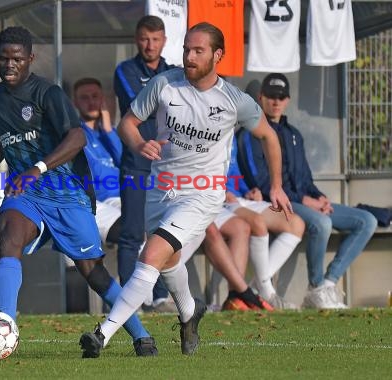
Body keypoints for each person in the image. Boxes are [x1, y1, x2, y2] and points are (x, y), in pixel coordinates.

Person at [0, 26, 158, 357]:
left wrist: (36, 169)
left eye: (16, 59)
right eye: (2, 59)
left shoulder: (48, 94)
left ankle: (141, 334)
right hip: (26, 195)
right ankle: (5, 329)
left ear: (30, 59)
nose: (8, 65)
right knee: (9, 234)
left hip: (68, 193)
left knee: (93, 272)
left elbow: (77, 137)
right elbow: (2, 142)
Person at [80, 22, 292, 358]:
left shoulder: (234, 100)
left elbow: (268, 136)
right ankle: (190, 311)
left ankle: (102, 334)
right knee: (168, 262)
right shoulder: (165, 84)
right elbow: (127, 124)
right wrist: (140, 144)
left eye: (198, 51)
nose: (189, 57)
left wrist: (277, 186)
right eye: (186, 50)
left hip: (203, 193)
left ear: (217, 55)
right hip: (160, 190)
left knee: (151, 254)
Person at [237, 73, 378, 309]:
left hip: (304, 202)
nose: (276, 101)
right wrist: (306, 200)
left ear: (288, 100)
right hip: (279, 203)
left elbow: (306, 179)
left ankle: (328, 283)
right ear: (261, 98)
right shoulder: (252, 134)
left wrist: (319, 197)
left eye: (281, 97)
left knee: (366, 221)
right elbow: (262, 183)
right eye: (271, 96)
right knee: (321, 223)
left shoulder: (294, 134)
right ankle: (315, 288)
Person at [114, 15, 176, 312]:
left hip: (167, 166)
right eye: (144, 39)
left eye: (155, 39)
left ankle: (162, 297)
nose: (149, 45)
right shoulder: (125, 70)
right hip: (136, 164)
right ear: (137, 40)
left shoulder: (174, 71)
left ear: (164, 40)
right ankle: (128, 301)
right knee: (132, 232)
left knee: (163, 232)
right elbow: (143, 105)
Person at [224, 137, 305, 309]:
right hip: (216, 200)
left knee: (295, 223)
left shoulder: (232, 131)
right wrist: (219, 191)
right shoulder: (199, 127)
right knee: (257, 222)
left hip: (240, 198)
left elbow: (235, 173)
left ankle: (255, 288)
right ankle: (267, 294)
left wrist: (249, 191)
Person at [72, 77, 123, 245]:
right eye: (84, 98)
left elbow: (124, 162)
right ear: (75, 103)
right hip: (103, 200)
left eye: (95, 96)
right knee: (135, 231)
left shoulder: (110, 133)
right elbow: (95, 172)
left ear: (103, 100)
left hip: (126, 196)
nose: (91, 102)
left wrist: (108, 129)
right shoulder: (75, 134)